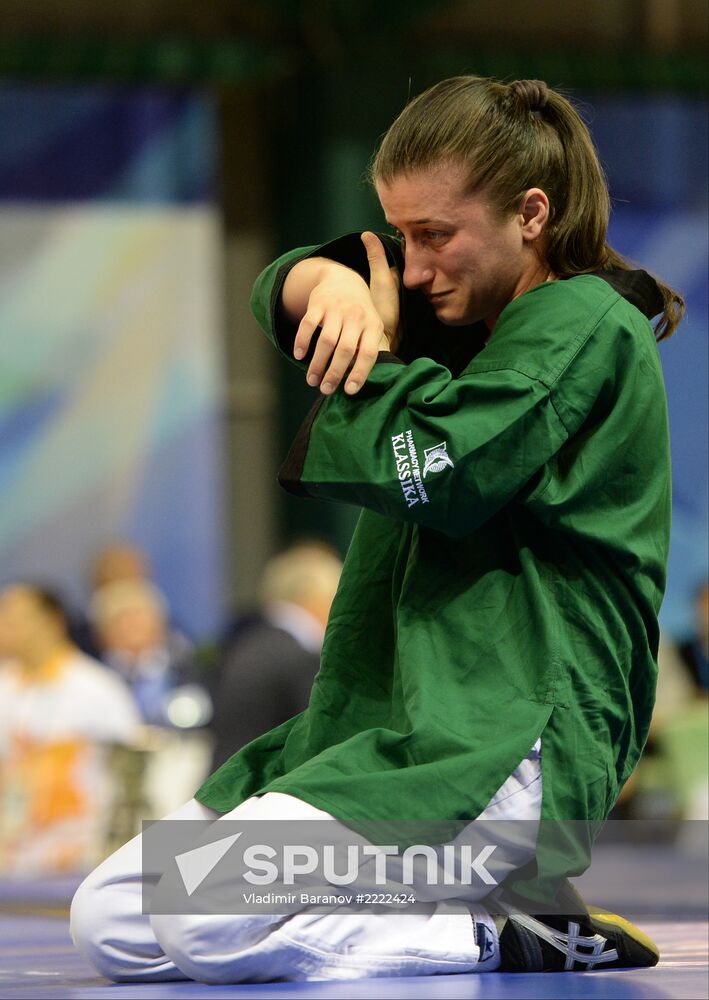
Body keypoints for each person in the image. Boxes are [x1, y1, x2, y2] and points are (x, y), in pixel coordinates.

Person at [71, 76, 684, 981]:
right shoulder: (468, 318)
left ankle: (503, 933)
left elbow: (443, 466)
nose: (414, 266)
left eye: (434, 234)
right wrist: (328, 284)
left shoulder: (582, 320)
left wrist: (373, 351)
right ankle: (443, 911)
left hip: (501, 743)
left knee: (204, 920)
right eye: (397, 235)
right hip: (381, 733)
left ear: (530, 214)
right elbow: (279, 288)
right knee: (111, 919)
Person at [0, 583, 141, 872]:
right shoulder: (5, 686)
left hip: (80, 854)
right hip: (13, 854)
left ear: (51, 622)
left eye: (14, 618)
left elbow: (131, 778)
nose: (5, 626)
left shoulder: (97, 689)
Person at [210, 543, 343, 768]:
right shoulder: (298, 658)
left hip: (234, 786)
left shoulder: (251, 644)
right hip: (264, 789)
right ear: (315, 598)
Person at [90, 578, 207, 728]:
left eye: (139, 616)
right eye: (121, 619)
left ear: (158, 623)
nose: (132, 626)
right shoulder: (94, 676)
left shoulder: (185, 665)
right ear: (104, 632)